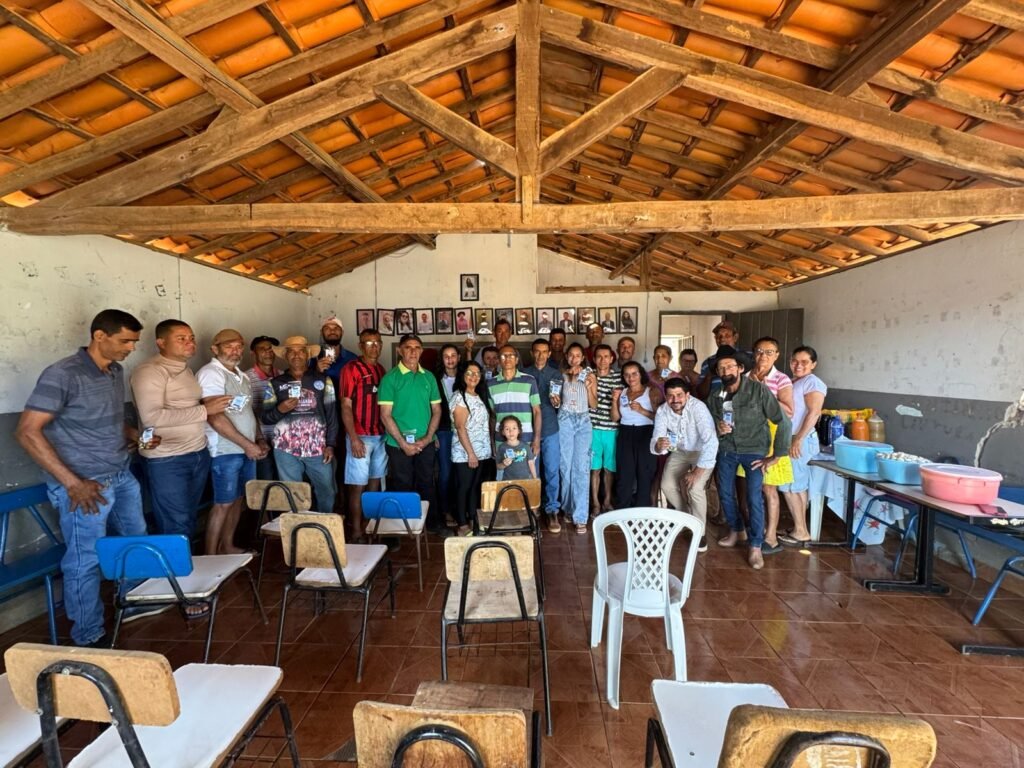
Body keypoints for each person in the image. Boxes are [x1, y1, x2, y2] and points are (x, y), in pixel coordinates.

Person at [16, 309, 164, 647]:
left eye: (134, 342)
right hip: (85, 486)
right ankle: (88, 634)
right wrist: (72, 483)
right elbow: (26, 432)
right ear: (100, 336)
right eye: (125, 341)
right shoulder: (62, 374)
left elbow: (109, 419)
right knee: (85, 559)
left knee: (134, 539)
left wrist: (136, 436)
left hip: (120, 474)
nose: (131, 348)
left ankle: (133, 601)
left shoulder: (114, 371)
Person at [131, 319, 230, 540]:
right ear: (161, 342)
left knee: (188, 518)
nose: (190, 343)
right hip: (167, 459)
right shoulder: (150, 371)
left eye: (192, 338)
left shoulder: (185, 370)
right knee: (176, 524)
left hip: (196, 453)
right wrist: (205, 410)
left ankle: (188, 561)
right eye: (181, 338)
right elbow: (151, 417)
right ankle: (179, 564)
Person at [706, 351, 792, 570]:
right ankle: (736, 530)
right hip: (727, 450)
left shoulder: (758, 391)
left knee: (754, 498)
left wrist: (777, 455)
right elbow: (709, 423)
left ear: (740, 368)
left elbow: (783, 421)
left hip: (754, 452)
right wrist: (718, 427)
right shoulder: (715, 396)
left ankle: (755, 545)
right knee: (725, 494)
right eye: (721, 368)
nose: (726, 371)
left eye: (730, 366)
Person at [197, 329, 267, 556]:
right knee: (223, 503)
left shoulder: (241, 375)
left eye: (238, 347)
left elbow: (248, 411)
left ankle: (227, 546)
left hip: (245, 448)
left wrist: (258, 439)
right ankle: (210, 556)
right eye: (229, 346)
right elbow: (214, 417)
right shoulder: (211, 373)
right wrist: (247, 445)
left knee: (238, 500)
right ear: (214, 349)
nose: (235, 351)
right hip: (225, 450)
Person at [378, 334, 448, 536]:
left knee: (427, 482)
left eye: (417, 347)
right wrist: (403, 443)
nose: (413, 351)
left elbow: (437, 411)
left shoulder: (429, 377)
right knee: (401, 484)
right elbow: (385, 415)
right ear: (400, 350)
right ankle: (400, 529)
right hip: (398, 444)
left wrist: (427, 438)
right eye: (408, 347)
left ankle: (432, 523)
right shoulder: (390, 378)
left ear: (421, 351)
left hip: (425, 442)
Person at [262, 336, 338, 512]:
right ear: (286, 356)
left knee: (327, 491)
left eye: (301, 351)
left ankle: (323, 525)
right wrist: (280, 409)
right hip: (285, 449)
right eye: (291, 352)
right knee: (292, 493)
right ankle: (297, 526)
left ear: (308, 355)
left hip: (318, 448)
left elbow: (332, 415)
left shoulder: (323, 380)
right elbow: (265, 418)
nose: (296, 355)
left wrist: (331, 444)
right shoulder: (275, 383)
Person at [651, 377, 718, 552]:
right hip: (680, 451)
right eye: (670, 396)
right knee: (667, 485)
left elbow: (711, 441)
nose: (675, 400)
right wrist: (659, 445)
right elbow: (657, 437)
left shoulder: (698, 408)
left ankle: (700, 533)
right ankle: (687, 516)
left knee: (695, 488)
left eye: (679, 395)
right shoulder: (663, 411)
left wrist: (697, 472)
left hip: (702, 452)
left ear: (687, 395)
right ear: (666, 396)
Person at [746, 336, 795, 553]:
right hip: (750, 435)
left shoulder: (781, 379)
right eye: (759, 351)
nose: (763, 356)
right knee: (752, 486)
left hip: (773, 435)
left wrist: (762, 390)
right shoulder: (746, 376)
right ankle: (757, 531)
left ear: (776, 355)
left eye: (768, 352)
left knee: (769, 487)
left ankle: (771, 537)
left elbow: (789, 411)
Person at [340, 328, 387, 541]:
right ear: (360, 346)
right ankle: (357, 530)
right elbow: (345, 405)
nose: (374, 347)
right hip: (360, 436)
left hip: (380, 436)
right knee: (357, 486)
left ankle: (371, 527)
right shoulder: (351, 369)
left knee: (374, 484)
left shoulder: (381, 370)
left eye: (377, 342)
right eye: (369, 343)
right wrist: (353, 438)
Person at [778, 346, 827, 548]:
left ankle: (801, 531)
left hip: (799, 439)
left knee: (791, 485)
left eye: (804, 362)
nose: (798, 365)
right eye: (795, 361)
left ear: (813, 364)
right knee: (795, 484)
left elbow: (814, 413)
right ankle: (799, 527)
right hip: (791, 438)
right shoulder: (793, 381)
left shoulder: (812, 382)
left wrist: (798, 439)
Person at [523, 338, 562, 533]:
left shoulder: (556, 374)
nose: (540, 355)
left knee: (552, 470)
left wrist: (557, 402)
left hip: (550, 428)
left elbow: (560, 403)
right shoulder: (524, 374)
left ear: (549, 354)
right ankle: (533, 506)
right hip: (528, 429)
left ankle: (552, 509)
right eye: (537, 351)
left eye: (544, 352)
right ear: (532, 353)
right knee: (532, 471)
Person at [450, 361, 493, 535]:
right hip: (465, 453)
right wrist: (471, 454)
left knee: (475, 487)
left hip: (481, 452)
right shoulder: (459, 397)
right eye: (469, 373)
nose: (473, 376)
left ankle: (473, 520)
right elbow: (460, 427)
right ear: (462, 375)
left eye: (477, 373)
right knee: (464, 487)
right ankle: (462, 524)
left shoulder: (478, 395)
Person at [559, 343, 597, 534]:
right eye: (571, 355)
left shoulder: (590, 375)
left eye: (578, 356)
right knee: (565, 467)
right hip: (565, 419)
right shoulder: (561, 375)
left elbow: (594, 404)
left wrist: (589, 387)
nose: (574, 359)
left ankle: (580, 516)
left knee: (581, 468)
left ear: (583, 358)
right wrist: (555, 399)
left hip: (583, 421)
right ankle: (568, 508)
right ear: (567, 356)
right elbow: (556, 401)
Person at [614, 361, 663, 509]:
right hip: (625, 433)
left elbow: (661, 418)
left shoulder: (652, 391)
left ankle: (643, 510)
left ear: (641, 374)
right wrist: (614, 400)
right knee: (624, 474)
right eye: (627, 375)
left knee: (645, 473)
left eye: (634, 374)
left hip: (646, 433)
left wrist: (642, 410)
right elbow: (615, 417)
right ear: (623, 377)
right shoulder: (622, 392)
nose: (631, 378)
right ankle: (623, 510)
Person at [487, 345, 541, 468]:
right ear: (498, 360)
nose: (507, 358)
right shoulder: (491, 384)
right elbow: (493, 416)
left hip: (526, 438)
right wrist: (492, 442)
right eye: (503, 356)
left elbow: (537, 411)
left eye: (511, 355)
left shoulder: (529, 381)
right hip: (501, 439)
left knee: (527, 474)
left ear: (516, 360)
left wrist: (537, 439)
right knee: (503, 473)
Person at [589, 344, 620, 516]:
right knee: (595, 469)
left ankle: (607, 501)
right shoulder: (589, 376)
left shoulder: (619, 378)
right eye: (599, 357)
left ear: (612, 359)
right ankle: (595, 503)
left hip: (612, 430)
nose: (603, 360)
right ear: (594, 359)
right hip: (592, 429)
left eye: (606, 356)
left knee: (609, 469)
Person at [246, 335, 281, 480]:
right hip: (261, 443)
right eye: (262, 349)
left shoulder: (283, 376)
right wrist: (259, 439)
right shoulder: (246, 378)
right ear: (253, 353)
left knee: (285, 483)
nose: (268, 352)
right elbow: (248, 412)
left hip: (283, 441)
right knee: (265, 482)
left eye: (271, 349)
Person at [434, 344, 461, 524]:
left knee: (462, 472)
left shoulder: (466, 376)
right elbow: (429, 409)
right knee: (445, 472)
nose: (450, 359)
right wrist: (433, 434)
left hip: (463, 431)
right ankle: (445, 510)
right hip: (443, 431)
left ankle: (461, 510)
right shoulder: (435, 379)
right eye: (446, 356)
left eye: (453, 355)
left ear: (459, 357)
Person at [697, 320, 746, 400]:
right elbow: (701, 395)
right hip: (716, 405)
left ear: (735, 337)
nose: (722, 339)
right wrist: (709, 376)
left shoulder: (747, 358)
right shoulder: (707, 363)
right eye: (719, 336)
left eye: (727, 336)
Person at [312, 315, 358, 395]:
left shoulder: (353, 359)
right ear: (321, 332)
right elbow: (305, 386)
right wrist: (317, 371)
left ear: (342, 332)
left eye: (336, 328)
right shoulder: (313, 358)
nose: (332, 331)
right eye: (327, 328)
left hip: (345, 402)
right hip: (319, 402)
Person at [496, 416, 537, 481]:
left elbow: (531, 463)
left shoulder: (525, 446)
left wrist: (535, 479)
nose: (511, 431)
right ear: (503, 432)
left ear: (519, 430)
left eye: (514, 428)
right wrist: (504, 464)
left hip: (525, 481)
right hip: (508, 481)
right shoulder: (501, 447)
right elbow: (498, 466)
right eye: (507, 429)